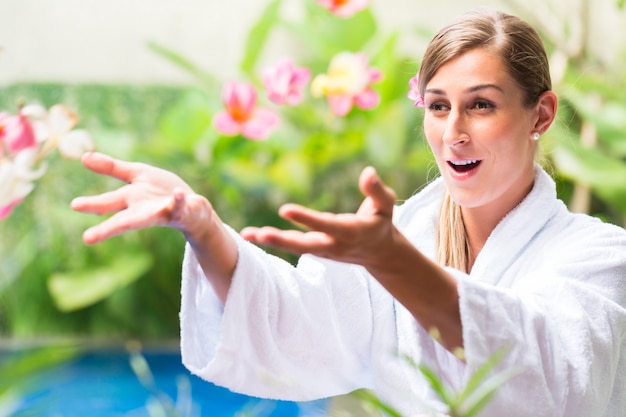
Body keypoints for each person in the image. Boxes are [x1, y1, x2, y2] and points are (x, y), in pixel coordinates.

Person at [71, 7, 626, 417]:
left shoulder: (599, 258)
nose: (454, 132)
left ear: (541, 114)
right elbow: (297, 325)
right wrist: (203, 226)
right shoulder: (406, 233)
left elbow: (558, 383)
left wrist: (393, 263)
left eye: (481, 104)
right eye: (438, 106)